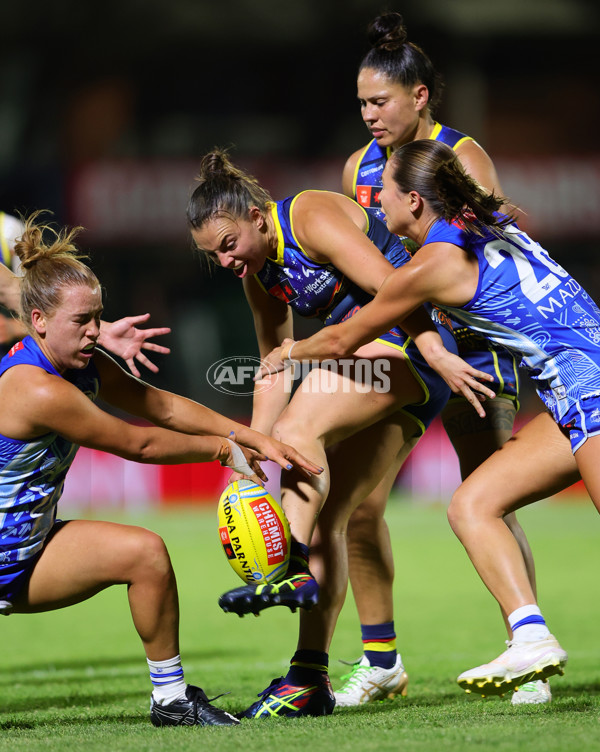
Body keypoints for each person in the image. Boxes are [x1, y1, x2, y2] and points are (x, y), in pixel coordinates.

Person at [257, 138, 594, 698]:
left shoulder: (431, 265)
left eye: (382, 194)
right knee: (472, 505)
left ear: (413, 200)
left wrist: (284, 354)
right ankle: (530, 637)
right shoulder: (484, 223)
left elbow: (342, 338)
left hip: (591, 393)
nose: (374, 205)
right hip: (570, 399)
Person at [185, 150, 491, 719]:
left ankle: (291, 562)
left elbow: (396, 289)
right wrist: (249, 454)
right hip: (395, 371)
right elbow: (273, 364)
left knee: (303, 427)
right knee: (335, 516)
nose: (226, 261)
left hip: (410, 341)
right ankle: (308, 680)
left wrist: (434, 350)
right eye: (213, 256)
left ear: (256, 215)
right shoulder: (260, 275)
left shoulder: (307, 216)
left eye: (228, 244)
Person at [0, 213, 322, 728]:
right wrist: (223, 450)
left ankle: (171, 700)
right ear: (38, 321)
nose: (94, 332)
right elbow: (139, 442)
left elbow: (161, 407)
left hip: (26, 549)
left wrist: (250, 435)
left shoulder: (82, 364)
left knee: (144, 555)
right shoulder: (34, 388)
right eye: (81, 321)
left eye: (97, 317)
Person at [335, 11, 543, 707]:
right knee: (362, 505)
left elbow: (493, 244)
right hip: (401, 343)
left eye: (379, 101)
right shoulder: (355, 168)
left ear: (419, 97)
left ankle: (528, 651)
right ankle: (381, 659)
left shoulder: (462, 154)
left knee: (490, 494)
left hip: (474, 346)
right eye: (361, 102)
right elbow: (363, 261)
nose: (368, 115)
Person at [0, 210, 172, 377]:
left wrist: (102, 331)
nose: (93, 331)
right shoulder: (41, 389)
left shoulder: (7, 230)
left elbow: (22, 295)